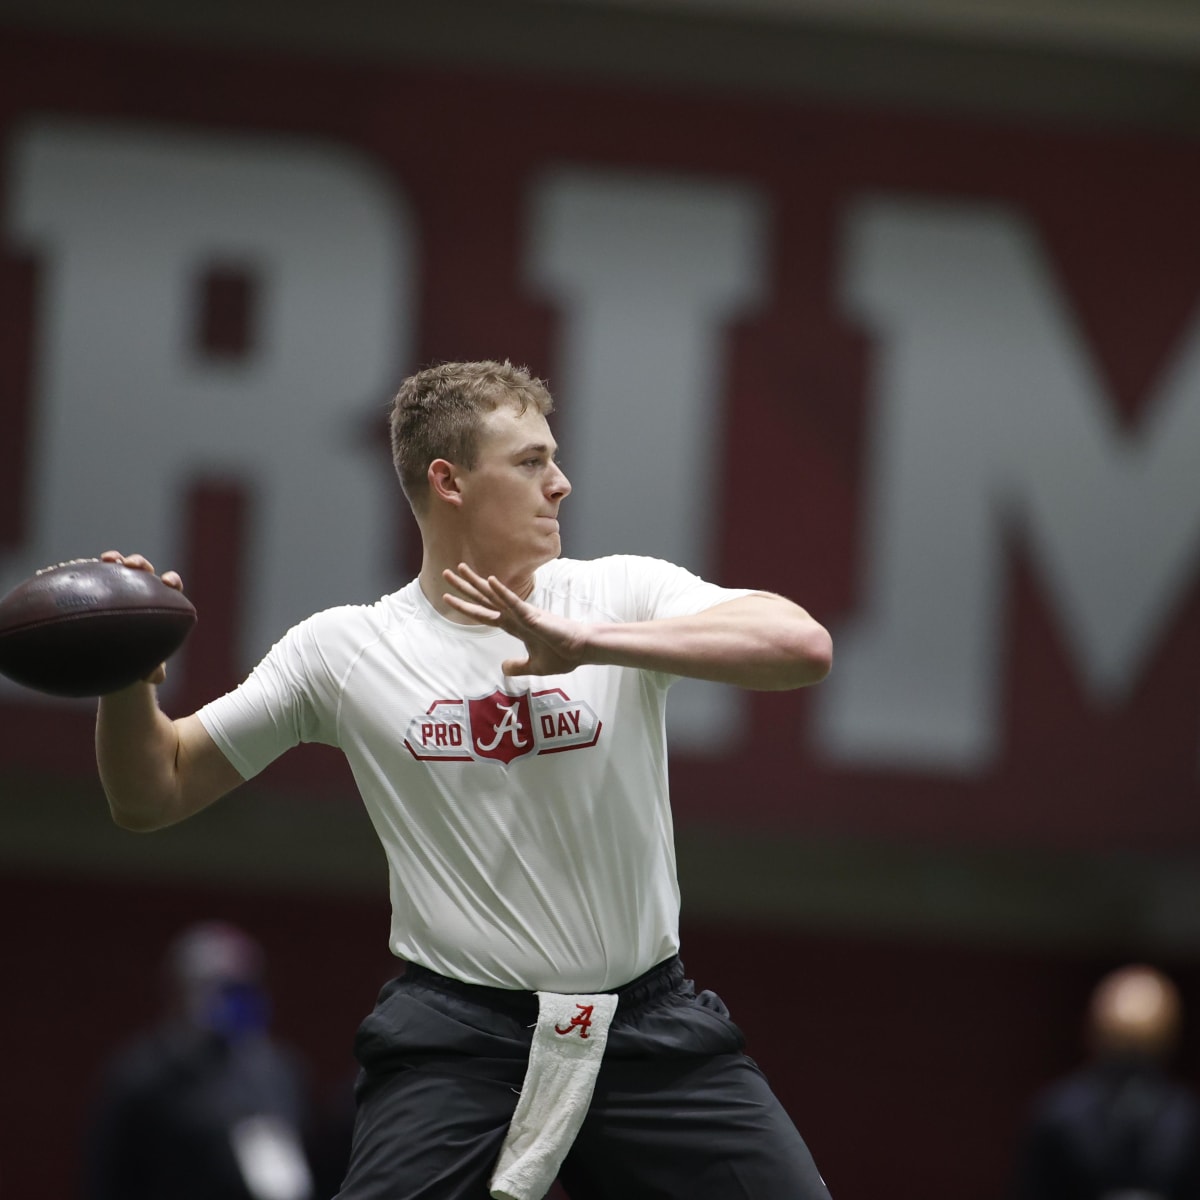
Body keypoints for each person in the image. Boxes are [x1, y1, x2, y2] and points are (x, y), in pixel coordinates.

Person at [95, 359, 835, 1200]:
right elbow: (152, 791)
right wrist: (123, 678)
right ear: (447, 480)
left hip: (651, 1032)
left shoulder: (617, 594)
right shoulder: (344, 651)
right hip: (459, 1043)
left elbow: (801, 647)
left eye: (551, 457)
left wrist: (590, 645)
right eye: (527, 462)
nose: (559, 483)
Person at [84, 920, 316, 1200]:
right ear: (178, 990)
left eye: (240, 989)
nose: (227, 1002)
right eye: (212, 987)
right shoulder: (142, 1073)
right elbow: (107, 1176)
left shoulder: (275, 1071)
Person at [1014, 963, 1200, 1200]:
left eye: (1143, 1036)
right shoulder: (1059, 1114)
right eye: (1125, 1036)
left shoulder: (1187, 1119)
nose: (1133, 1044)